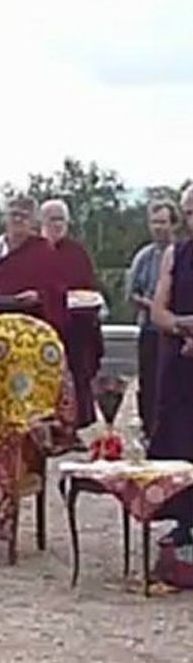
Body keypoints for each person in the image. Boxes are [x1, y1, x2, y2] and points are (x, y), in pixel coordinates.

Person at [149, 187, 193, 554]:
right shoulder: (174, 255)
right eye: (189, 213)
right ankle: (185, 521)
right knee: (181, 440)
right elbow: (158, 310)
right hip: (181, 363)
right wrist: (181, 325)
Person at [41, 199, 104, 428]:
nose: (56, 225)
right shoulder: (35, 251)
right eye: (51, 219)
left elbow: (88, 284)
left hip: (76, 325)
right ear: (42, 222)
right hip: (43, 325)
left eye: (61, 219)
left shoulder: (77, 252)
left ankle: (79, 423)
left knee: (79, 372)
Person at [127, 200, 178, 439]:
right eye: (154, 222)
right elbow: (132, 293)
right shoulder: (143, 257)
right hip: (148, 328)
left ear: (173, 224)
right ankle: (148, 430)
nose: (158, 227)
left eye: (163, 222)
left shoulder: (181, 254)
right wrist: (151, 305)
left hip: (175, 330)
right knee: (148, 381)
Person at [0, 197, 68, 334]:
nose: (18, 220)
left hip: (35, 328)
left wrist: (38, 296)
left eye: (23, 216)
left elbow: (58, 291)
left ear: (33, 221)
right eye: (13, 215)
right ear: (5, 218)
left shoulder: (45, 250)